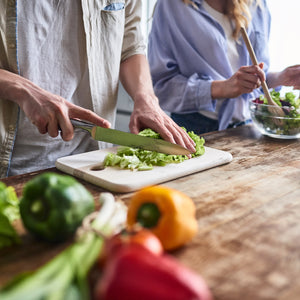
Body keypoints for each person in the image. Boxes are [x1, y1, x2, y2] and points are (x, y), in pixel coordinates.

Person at [0, 0, 196, 178]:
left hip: (93, 162)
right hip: (12, 164)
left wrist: (146, 98)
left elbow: (131, 46)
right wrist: (23, 90)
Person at [148, 0, 300, 135]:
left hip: (247, 127)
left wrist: (281, 78)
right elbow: (161, 87)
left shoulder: (257, 4)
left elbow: (258, 80)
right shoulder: (171, 6)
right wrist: (222, 88)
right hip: (196, 128)